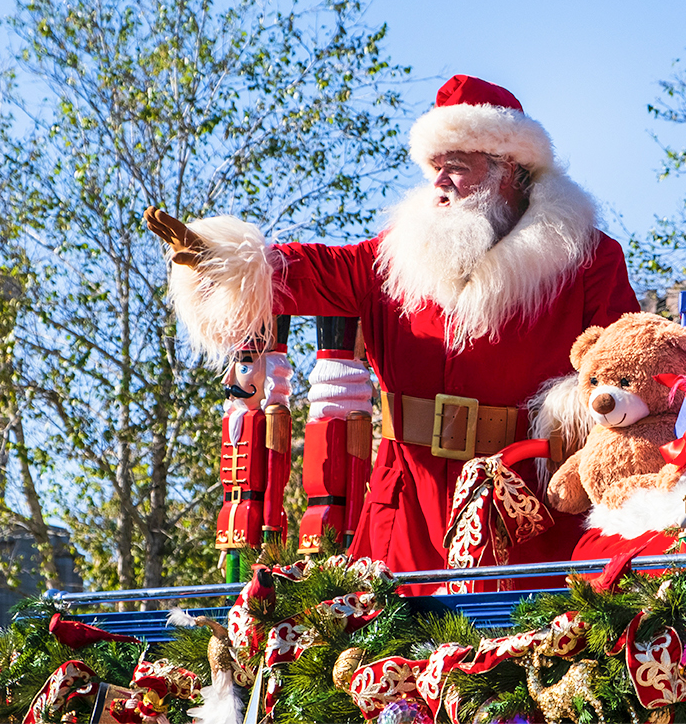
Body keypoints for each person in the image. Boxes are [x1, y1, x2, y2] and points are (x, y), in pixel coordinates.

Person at [145, 74, 640, 579]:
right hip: (405, 507)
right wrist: (223, 259)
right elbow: (308, 270)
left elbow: (630, 371)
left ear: (508, 168)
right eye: (435, 168)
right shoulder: (393, 256)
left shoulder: (588, 259)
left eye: (457, 167)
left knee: (522, 645)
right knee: (383, 650)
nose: (440, 182)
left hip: (530, 509)